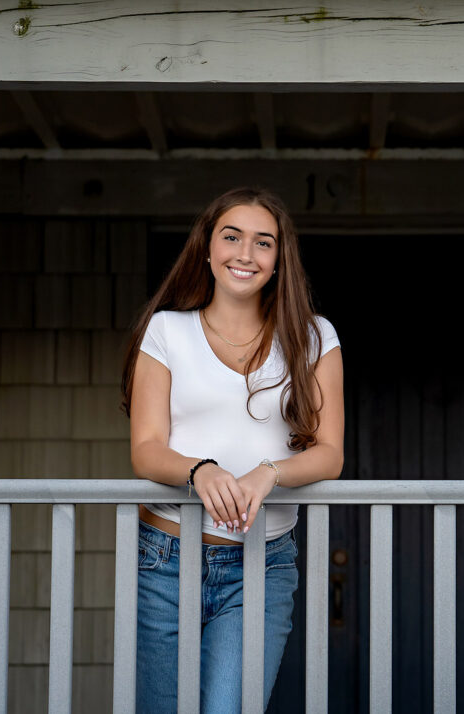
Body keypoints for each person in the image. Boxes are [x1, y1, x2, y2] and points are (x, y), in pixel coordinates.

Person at [120, 186, 344, 713]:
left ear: (278, 260)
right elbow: (146, 448)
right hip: (165, 558)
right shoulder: (167, 331)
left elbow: (330, 453)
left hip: (261, 564)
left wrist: (269, 473)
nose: (245, 254)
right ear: (207, 248)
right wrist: (199, 470)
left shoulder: (314, 337)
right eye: (232, 237)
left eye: (262, 243)